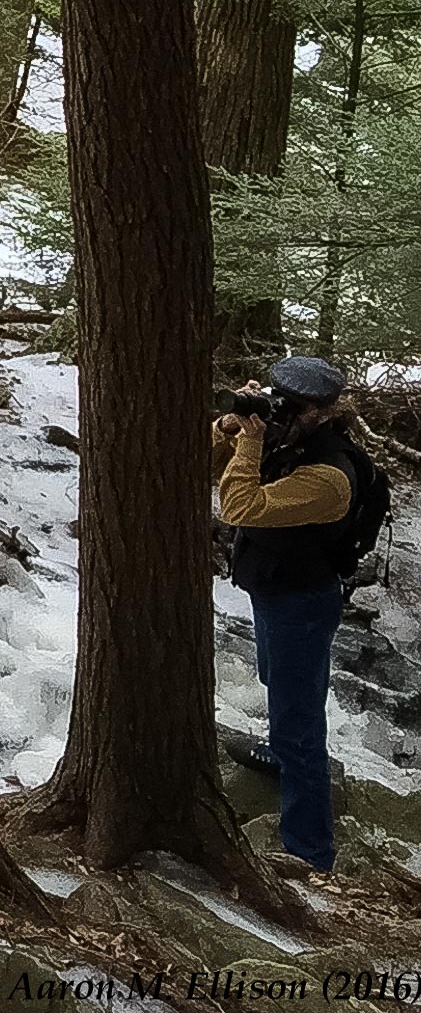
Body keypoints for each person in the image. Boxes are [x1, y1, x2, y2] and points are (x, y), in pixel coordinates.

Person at [213, 354, 356, 876]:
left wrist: (249, 443)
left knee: (300, 724)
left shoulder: (328, 476)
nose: (278, 410)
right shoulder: (288, 437)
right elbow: (200, 462)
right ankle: (282, 756)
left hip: (304, 601)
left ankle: (309, 851)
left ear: (321, 410)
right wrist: (228, 427)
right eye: (275, 397)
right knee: (276, 680)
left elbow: (239, 508)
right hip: (272, 589)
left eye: (289, 405)